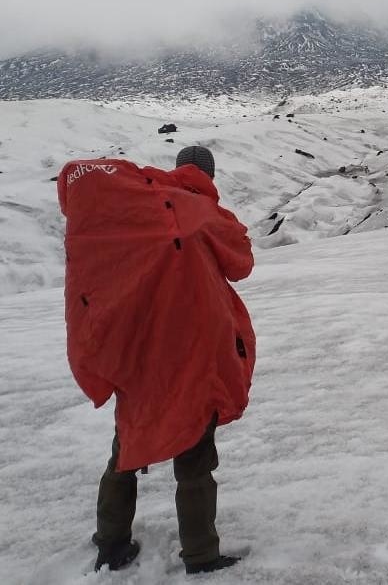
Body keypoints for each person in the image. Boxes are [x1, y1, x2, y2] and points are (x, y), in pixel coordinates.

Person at [57, 146, 256, 574]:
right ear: (207, 173)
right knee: (196, 453)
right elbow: (241, 262)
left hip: (139, 349)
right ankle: (201, 553)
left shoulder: (141, 205)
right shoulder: (200, 211)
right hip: (194, 352)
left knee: (126, 445)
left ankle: (111, 543)